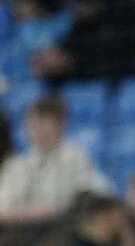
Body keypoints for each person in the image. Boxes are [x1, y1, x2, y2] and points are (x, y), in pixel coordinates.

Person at [0, 95, 112, 225]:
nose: (34, 125)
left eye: (42, 119)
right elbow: (3, 207)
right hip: (20, 228)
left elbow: (60, 207)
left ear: (59, 123)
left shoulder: (74, 158)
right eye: (30, 120)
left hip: (60, 228)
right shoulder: (19, 163)